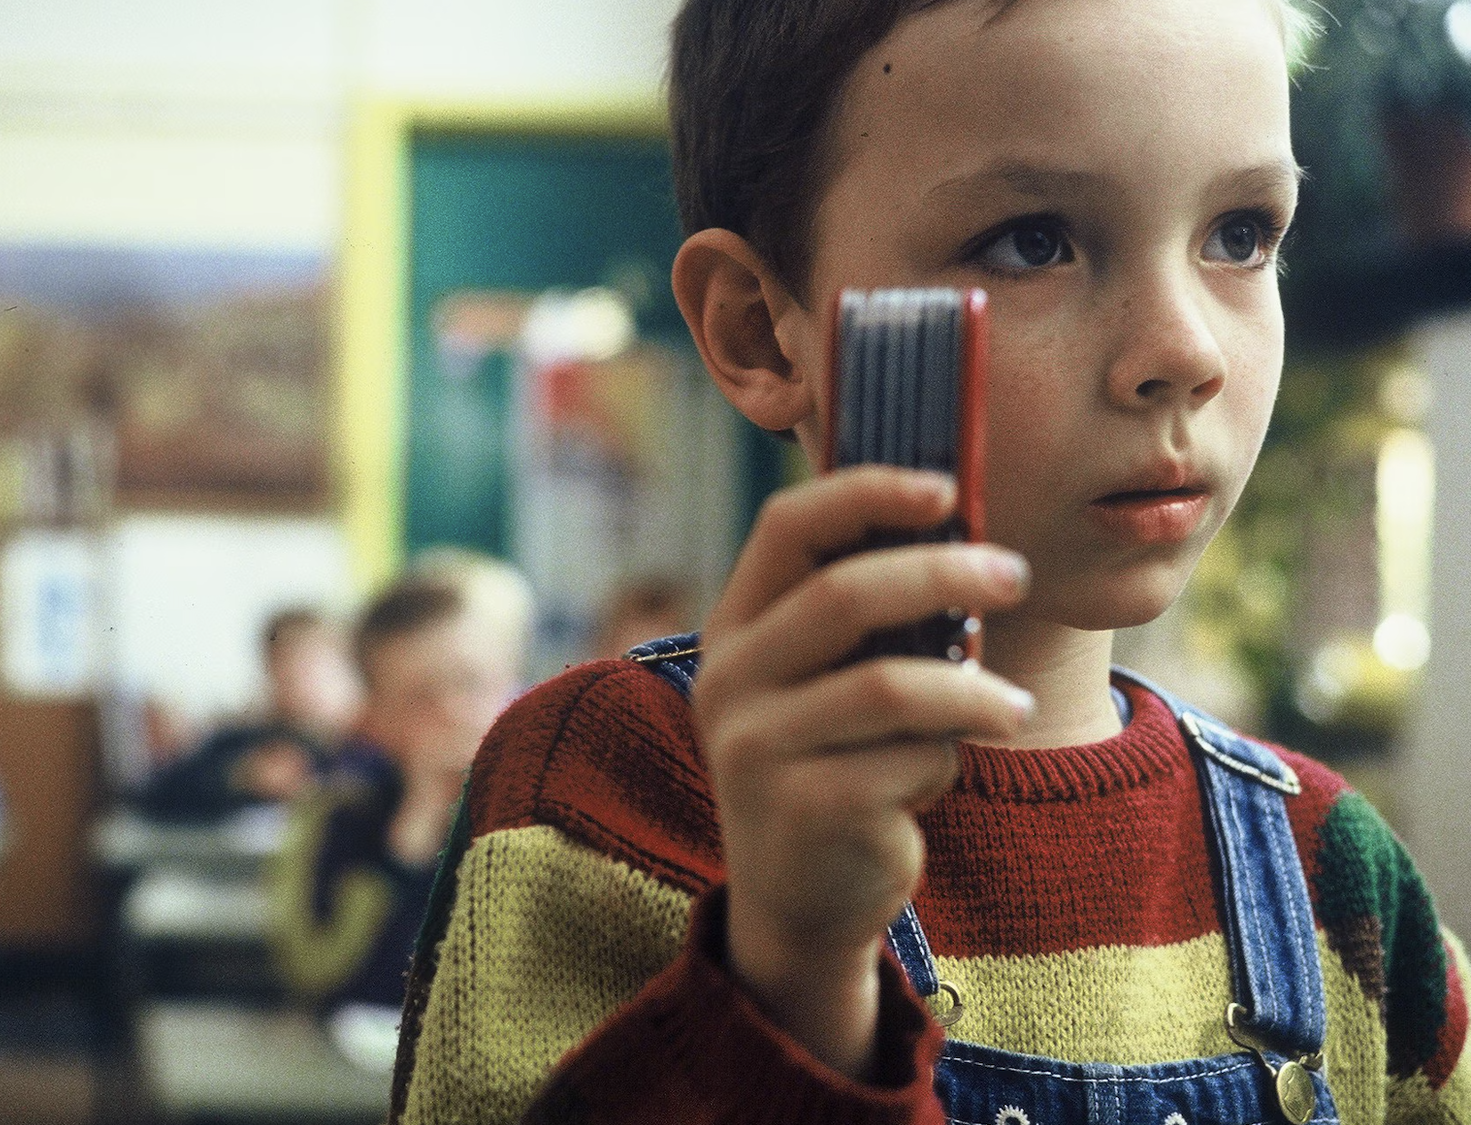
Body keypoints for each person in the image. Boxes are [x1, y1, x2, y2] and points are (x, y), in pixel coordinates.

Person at [388, 2, 1470, 1123]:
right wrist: (790, 976)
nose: (1185, 350)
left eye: (1239, 234)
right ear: (762, 332)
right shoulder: (613, 790)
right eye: (1032, 241)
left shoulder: (1329, 870)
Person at [268, 577, 514, 1073]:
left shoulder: (556, 809)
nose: (453, 711)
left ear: (508, 683)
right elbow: (328, 984)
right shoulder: (344, 813)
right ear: (376, 717)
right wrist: (411, 839)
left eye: (470, 683)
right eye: (421, 698)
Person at [129, 605, 362, 822]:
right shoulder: (243, 740)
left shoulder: (364, 741)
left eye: (309, 665)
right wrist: (241, 776)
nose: (297, 681)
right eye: (283, 666)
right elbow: (155, 794)